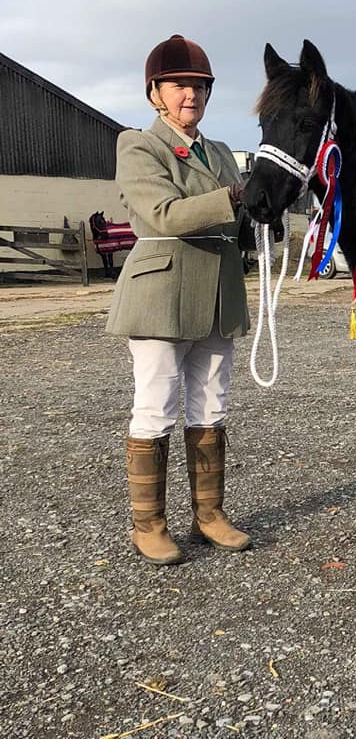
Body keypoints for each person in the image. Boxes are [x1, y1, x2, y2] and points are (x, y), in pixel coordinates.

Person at [107, 34, 258, 565]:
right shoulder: (138, 145)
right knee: (156, 407)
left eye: (199, 86)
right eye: (179, 85)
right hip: (161, 291)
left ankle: (209, 515)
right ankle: (148, 524)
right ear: (156, 93)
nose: (190, 95)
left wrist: (263, 217)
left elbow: (238, 221)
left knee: (212, 404)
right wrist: (236, 196)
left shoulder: (219, 152)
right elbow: (164, 215)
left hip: (218, 291)